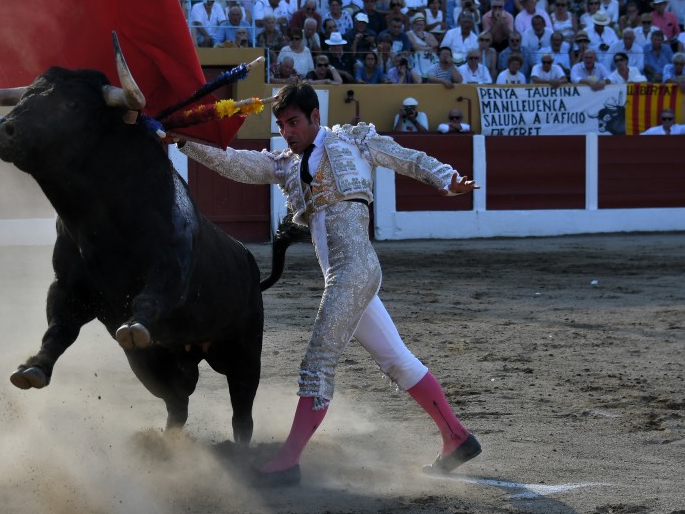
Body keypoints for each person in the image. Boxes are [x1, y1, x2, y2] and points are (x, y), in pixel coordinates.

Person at [175, 81, 481, 487]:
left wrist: (447, 178)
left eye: (294, 122)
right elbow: (237, 163)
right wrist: (185, 142)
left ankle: (287, 461)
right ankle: (456, 438)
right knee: (396, 360)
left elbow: (407, 159)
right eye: (282, 124)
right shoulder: (286, 164)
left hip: (354, 271)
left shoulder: (354, 141)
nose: (287, 132)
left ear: (316, 117)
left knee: (317, 361)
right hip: (343, 275)